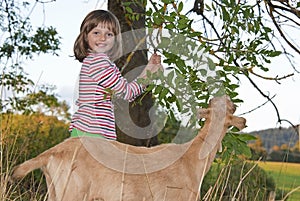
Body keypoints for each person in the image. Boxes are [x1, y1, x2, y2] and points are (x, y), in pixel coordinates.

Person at [69, 9, 162, 140]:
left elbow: (121, 92)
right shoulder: (98, 62)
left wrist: (150, 68)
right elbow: (127, 93)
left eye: (109, 34)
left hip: (91, 133)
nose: (102, 38)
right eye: (96, 33)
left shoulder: (96, 61)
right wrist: (150, 73)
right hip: (91, 133)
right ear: (85, 36)